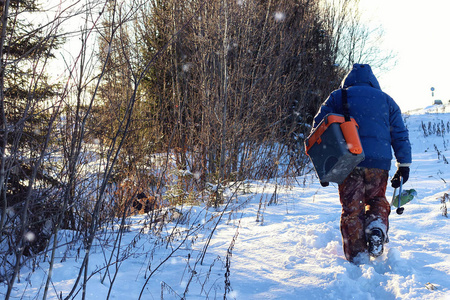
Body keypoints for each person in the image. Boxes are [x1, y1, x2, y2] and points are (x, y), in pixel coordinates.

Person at [312, 63, 412, 264]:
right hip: (379, 163)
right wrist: (404, 165)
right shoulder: (387, 100)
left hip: (348, 159)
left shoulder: (338, 97)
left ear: (348, 80)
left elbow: (318, 128)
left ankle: (357, 258)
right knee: (377, 200)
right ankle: (377, 227)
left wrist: (323, 166)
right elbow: (400, 135)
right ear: (373, 81)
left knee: (352, 208)